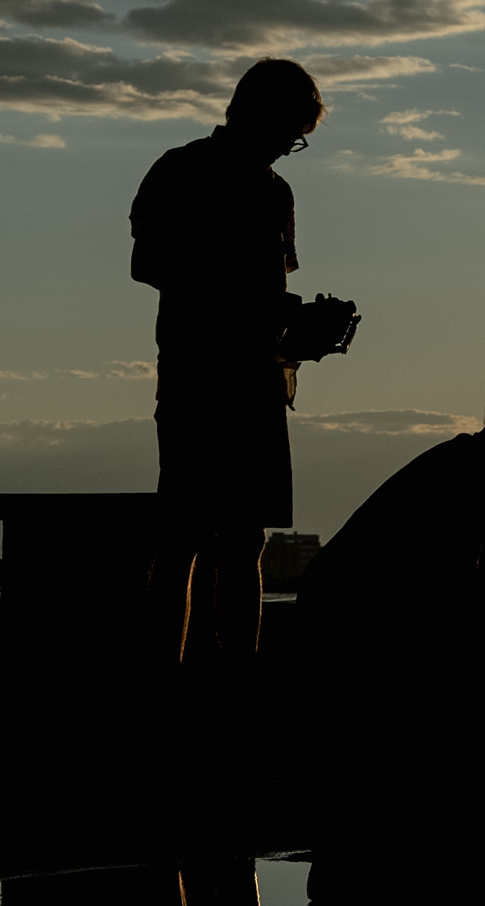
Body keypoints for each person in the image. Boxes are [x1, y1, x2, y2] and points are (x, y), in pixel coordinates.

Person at [130, 57, 339, 669]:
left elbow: (269, 300)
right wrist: (251, 304)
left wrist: (303, 330)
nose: (288, 148)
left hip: (258, 382)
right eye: (290, 133)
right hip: (200, 380)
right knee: (183, 541)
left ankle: (236, 682)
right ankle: (164, 679)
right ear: (259, 115)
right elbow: (148, 266)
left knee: (244, 542)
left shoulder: (277, 192)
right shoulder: (180, 169)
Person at [298, 361, 485, 684]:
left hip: (341, 625)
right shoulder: (466, 479)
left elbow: (460, 600)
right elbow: (458, 606)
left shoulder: (473, 468)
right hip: (346, 641)